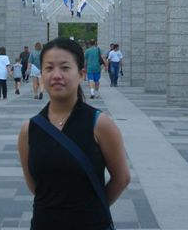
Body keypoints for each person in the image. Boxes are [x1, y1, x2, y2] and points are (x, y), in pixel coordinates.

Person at [18, 37, 130, 230]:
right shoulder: (30, 129)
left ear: (81, 74)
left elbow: (121, 178)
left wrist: (91, 208)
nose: (56, 75)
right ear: (42, 74)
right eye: (49, 68)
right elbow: (35, 185)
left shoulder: (100, 124)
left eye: (65, 67)